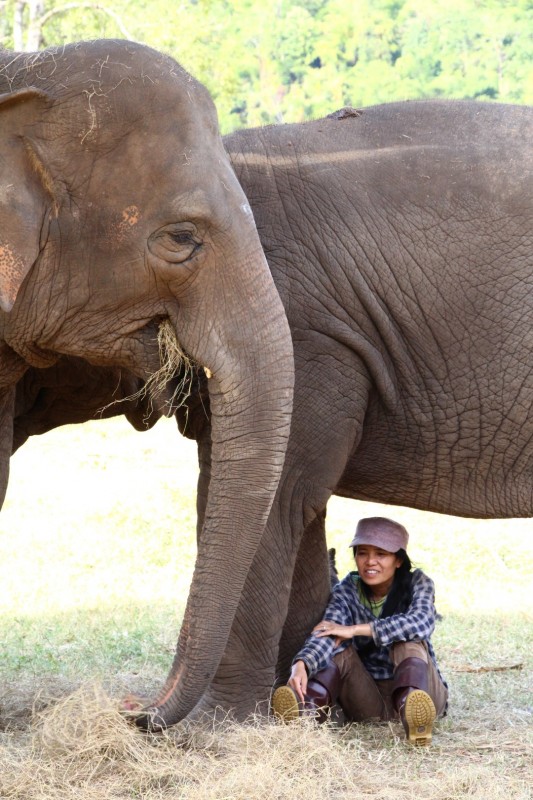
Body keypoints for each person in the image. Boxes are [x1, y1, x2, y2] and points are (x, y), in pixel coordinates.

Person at [272, 517, 448, 746]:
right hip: (370, 700)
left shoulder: (418, 582)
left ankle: (414, 714)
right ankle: (305, 714)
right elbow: (328, 630)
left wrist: (355, 630)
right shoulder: (347, 589)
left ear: (398, 560)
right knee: (337, 645)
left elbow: (420, 623)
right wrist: (302, 663)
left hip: (423, 691)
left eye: (381, 554)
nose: (370, 562)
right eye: (362, 553)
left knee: (408, 641)